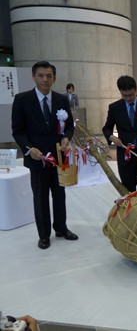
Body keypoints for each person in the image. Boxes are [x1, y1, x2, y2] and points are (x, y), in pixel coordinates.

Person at [12, 61, 77, 250]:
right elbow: (18, 130)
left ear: (54, 79)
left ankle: (61, 228)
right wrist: (29, 149)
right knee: (40, 198)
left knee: (59, 195)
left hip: (58, 157)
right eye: (40, 75)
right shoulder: (22, 100)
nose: (45, 79)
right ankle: (44, 234)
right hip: (37, 158)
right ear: (33, 77)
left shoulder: (61, 100)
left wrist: (66, 137)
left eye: (49, 76)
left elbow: (70, 125)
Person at [102, 76, 137, 193]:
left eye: (131, 95)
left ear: (136, 90)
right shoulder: (115, 107)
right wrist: (112, 137)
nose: (128, 98)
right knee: (128, 192)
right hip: (125, 156)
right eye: (124, 95)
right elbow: (106, 128)